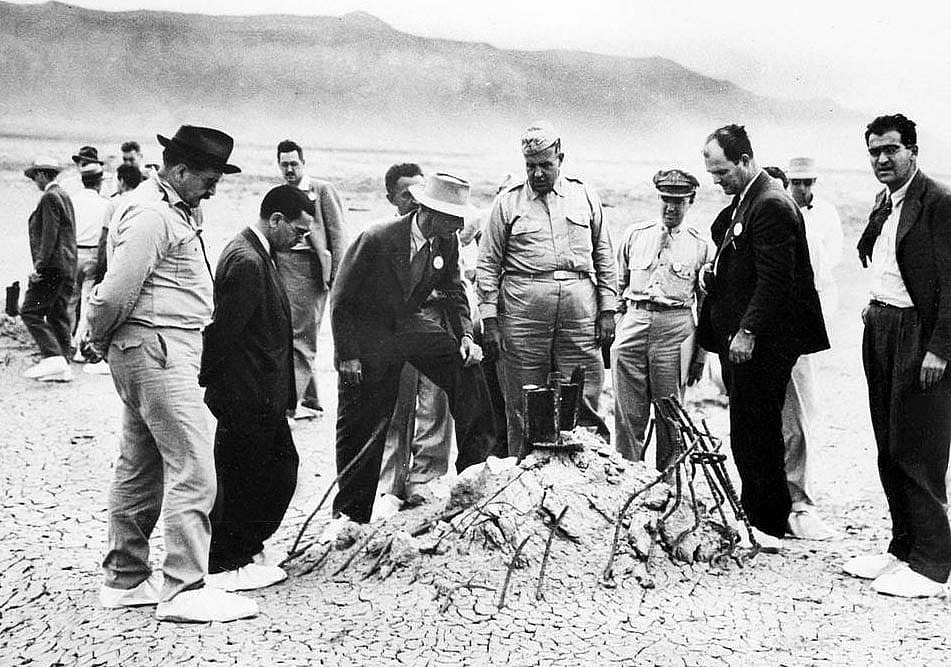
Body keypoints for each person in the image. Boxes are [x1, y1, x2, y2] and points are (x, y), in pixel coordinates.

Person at [87, 125, 258, 622]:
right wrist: (99, 337)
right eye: (208, 178)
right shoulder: (151, 214)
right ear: (179, 171)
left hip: (158, 348)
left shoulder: (174, 208)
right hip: (158, 349)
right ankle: (184, 588)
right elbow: (115, 290)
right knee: (194, 465)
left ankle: (125, 580)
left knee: (141, 466)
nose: (213, 188)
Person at [331, 173, 497, 523]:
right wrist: (348, 356)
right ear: (430, 211)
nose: (458, 225)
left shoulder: (446, 241)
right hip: (369, 335)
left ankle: (472, 477)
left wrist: (466, 336)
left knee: (466, 370)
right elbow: (342, 300)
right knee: (365, 421)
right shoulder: (377, 238)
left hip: (409, 325)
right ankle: (349, 516)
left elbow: (454, 291)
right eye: (453, 217)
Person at [697, 124, 829, 552]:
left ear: (745, 160)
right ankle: (759, 513)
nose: (717, 182)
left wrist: (748, 330)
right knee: (750, 429)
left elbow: (776, 280)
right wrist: (712, 270)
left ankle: (767, 522)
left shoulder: (770, 203)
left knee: (757, 430)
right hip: (743, 339)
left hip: (761, 341)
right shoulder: (749, 199)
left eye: (722, 173)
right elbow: (733, 245)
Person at [843, 114, 951, 597]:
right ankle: (902, 548)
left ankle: (932, 566)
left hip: (919, 336)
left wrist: (940, 350)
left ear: (913, 150)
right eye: (874, 152)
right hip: (883, 326)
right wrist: (872, 312)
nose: (882, 159)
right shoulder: (885, 202)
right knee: (888, 443)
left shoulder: (939, 203)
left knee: (918, 447)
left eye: (891, 150)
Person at [477, 121, 617, 456]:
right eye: (530, 166)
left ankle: (586, 473)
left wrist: (609, 310)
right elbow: (487, 265)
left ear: (560, 159)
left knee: (581, 391)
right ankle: (524, 475)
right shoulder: (507, 204)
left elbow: (604, 255)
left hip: (580, 312)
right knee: (525, 400)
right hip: (523, 314)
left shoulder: (585, 196)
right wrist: (490, 321)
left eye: (545, 165)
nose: (538, 174)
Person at [199, 185, 311, 590]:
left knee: (268, 473)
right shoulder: (247, 259)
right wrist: (217, 387)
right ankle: (230, 562)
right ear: (276, 219)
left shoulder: (255, 252)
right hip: (247, 395)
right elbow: (224, 332)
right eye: (298, 231)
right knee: (251, 477)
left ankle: (240, 551)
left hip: (257, 393)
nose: (302, 240)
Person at [612, 169, 711, 470]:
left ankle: (667, 481)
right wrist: (620, 325)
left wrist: (701, 355)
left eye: (678, 202)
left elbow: (706, 307)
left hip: (675, 327)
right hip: (635, 319)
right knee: (627, 412)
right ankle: (627, 476)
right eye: (666, 200)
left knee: (670, 413)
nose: (671, 207)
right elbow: (619, 286)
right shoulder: (635, 235)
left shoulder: (700, 245)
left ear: (691, 201)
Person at [377, 163, 457, 509]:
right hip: (397, 328)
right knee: (397, 404)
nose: (415, 201)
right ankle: (389, 484)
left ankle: (428, 479)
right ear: (392, 198)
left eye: (420, 194)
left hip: (435, 322)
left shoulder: (444, 239)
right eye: (407, 194)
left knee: (436, 404)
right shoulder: (385, 237)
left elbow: (454, 287)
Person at [780, 156, 843, 540]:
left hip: (801, 326)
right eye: (795, 182)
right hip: (771, 328)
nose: (802, 189)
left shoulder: (824, 220)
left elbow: (824, 276)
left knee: (799, 417)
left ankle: (799, 502)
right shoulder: (776, 213)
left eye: (808, 182)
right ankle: (774, 499)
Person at [275, 140, 346, 419]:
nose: (289, 169)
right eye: (284, 164)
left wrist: (338, 278)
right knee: (288, 333)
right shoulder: (280, 193)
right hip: (283, 266)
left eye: (294, 164)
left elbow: (338, 235)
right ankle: (310, 399)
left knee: (301, 337)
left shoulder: (321, 191)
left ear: (303, 163)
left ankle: (289, 407)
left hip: (311, 270)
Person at [21, 157, 77, 382]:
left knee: (30, 311)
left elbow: (49, 235)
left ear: (43, 175)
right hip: (67, 265)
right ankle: (63, 362)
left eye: (35, 176)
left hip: (52, 266)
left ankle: (53, 357)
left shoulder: (49, 198)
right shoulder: (64, 195)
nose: (35, 181)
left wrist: (39, 266)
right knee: (57, 313)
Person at [68, 162, 109, 365]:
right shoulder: (104, 203)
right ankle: (79, 347)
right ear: (99, 182)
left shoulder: (73, 201)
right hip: (92, 253)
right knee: (86, 302)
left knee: (70, 300)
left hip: (74, 252)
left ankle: (64, 342)